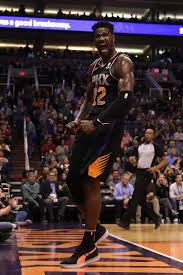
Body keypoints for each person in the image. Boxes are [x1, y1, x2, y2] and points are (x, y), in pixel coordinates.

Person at [60, 21, 134, 268]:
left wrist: (97, 122)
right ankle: (97, 227)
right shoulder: (94, 66)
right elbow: (89, 100)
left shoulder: (122, 63)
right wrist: (78, 120)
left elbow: (125, 101)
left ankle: (89, 244)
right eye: (97, 36)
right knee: (72, 180)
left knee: (91, 179)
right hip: (90, 126)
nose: (101, 39)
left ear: (113, 38)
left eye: (105, 35)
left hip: (108, 130)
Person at [119, 129, 167, 230]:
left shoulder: (155, 147)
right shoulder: (139, 147)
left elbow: (164, 161)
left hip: (147, 173)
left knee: (135, 197)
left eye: (150, 133)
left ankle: (125, 222)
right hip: (139, 172)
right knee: (140, 199)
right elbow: (132, 158)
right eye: (146, 133)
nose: (147, 135)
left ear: (153, 136)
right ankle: (156, 218)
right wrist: (132, 160)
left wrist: (155, 168)